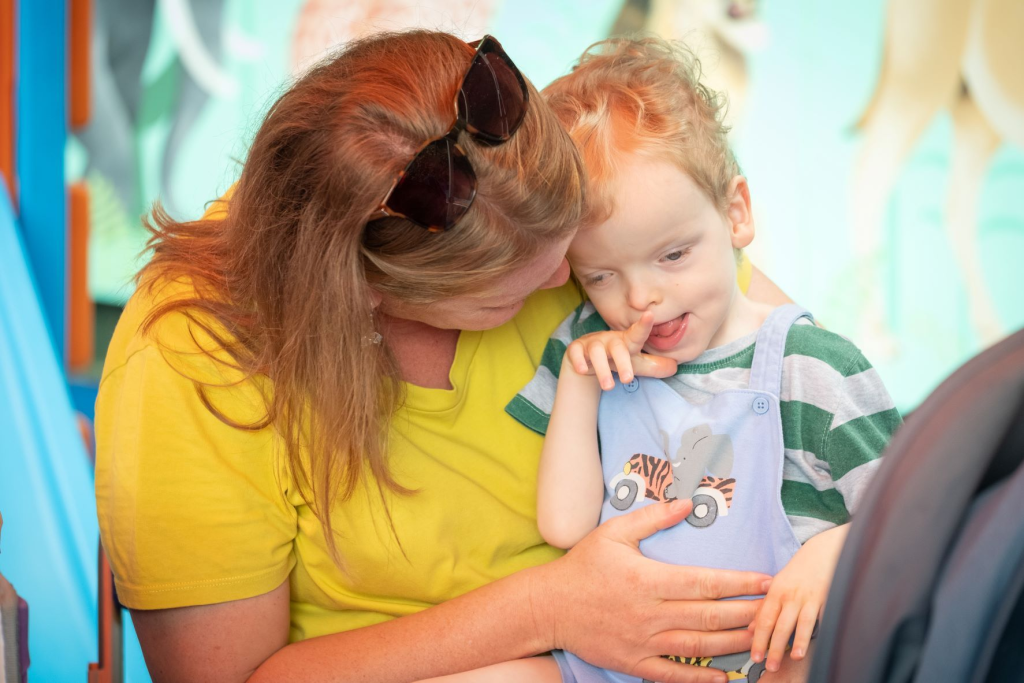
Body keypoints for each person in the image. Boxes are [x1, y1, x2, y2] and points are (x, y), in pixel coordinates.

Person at [95, 31, 793, 683]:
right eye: (507, 297)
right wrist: (549, 608)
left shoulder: (539, 207)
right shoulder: (191, 355)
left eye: (579, 254)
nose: (568, 283)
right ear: (368, 294)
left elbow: (788, 360)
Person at [490, 37, 897, 682]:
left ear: (736, 214)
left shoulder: (811, 367)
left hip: (767, 664)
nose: (641, 297)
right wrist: (578, 383)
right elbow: (566, 526)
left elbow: (913, 519)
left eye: (673, 255)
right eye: (601, 276)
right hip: (608, 665)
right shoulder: (586, 348)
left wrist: (830, 553)